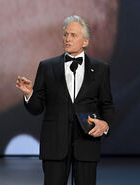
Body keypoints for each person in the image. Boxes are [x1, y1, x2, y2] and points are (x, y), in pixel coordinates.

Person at [16, 15, 115, 185]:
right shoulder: (47, 67)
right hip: (54, 146)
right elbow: (37, 107)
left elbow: (107, 105)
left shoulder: (100, 69)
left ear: (85, 42)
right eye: (65, 34)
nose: (67, 39)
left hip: (86, 145)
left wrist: (105, 124)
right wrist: (29, 94)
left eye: (73, 35)